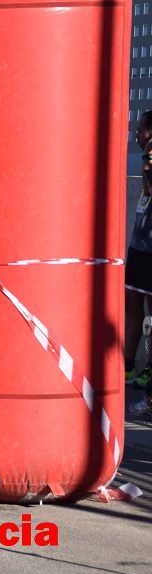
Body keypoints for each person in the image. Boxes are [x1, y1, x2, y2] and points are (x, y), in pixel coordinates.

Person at [126, 111, 152, 388]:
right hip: (139, 245)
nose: (137, 134)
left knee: (151, 312)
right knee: (132, 304)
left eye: (141, 129)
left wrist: (148, 157)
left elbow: (149, 187)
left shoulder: (150, 156)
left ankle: (149, 370)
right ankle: (129, 365)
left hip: (151, 248)